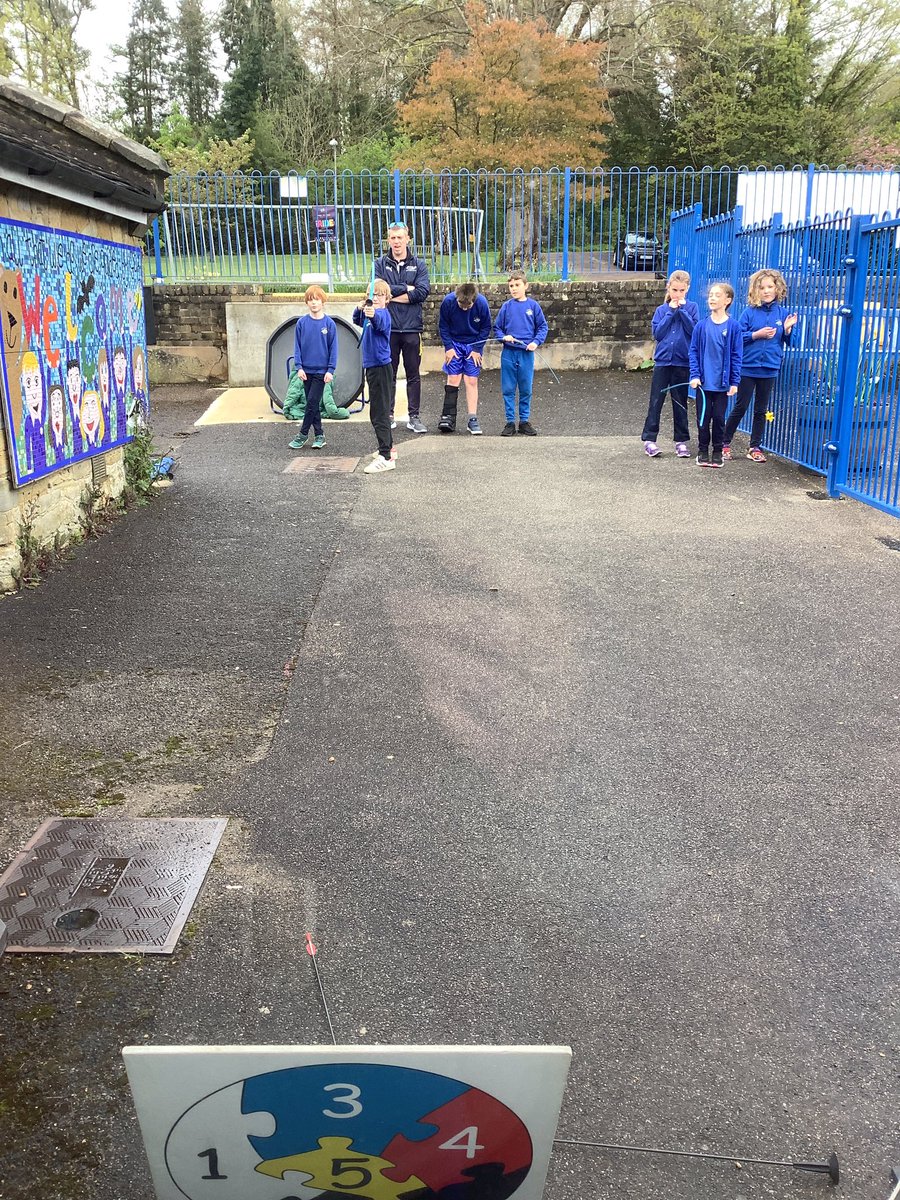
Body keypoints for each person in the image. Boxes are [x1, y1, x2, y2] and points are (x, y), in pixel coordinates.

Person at [723, 269, 797, 463]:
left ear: (777, 288)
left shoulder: (783, 313)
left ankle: (755, 446)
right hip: (748, 367)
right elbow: (737, 337)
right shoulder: (749, 313)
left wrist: (788, 330)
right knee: (741, 406)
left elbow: (793, 342)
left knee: (761, 409)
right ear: (755, 290)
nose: (766, 291)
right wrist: (757, 335)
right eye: (762, 287)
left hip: (770, 368)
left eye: (770, 287)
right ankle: (724, 443)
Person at [374, 221, 430, 433]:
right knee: (388, 373)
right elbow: (378, 292)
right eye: (393, 238)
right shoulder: (379, 264)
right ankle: (388, 415)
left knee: (413, 374)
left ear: (408, 239)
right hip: (387, 329)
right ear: (388, 240)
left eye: (400, 237)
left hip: (411, 329)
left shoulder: (420, 265)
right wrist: (406, 289)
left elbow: (422, 293)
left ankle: (414, 417)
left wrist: (391, 295)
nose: (396, 242)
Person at [641, 269, 699, 458]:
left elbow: (693, 331)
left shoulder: (692, 308)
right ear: (668, 288)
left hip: (682, 362)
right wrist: (671, 312)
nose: (678, 294)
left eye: (682, 290)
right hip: (663, 361)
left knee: (680, 402)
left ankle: (681, 441)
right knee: (656, 401)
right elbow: (658, 334)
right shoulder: (661, 310)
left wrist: (681, 311)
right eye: (675, 290)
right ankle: (650, 440)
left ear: (687, 289)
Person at [688, 282, 743, 468]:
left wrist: (734, 381)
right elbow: (693, 352)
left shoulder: (734, 327)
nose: (712, 298)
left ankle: (717, 451)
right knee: (703, 420)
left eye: (717, 295)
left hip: (722, 385)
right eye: (710, 294)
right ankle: (703, 450)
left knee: (719, 419)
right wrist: (694, 375)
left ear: (728, 300)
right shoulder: (701, 326)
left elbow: (737, 355)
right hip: (703, 384)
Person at [493, 271, 548, 436]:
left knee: (526, 388)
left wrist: (535, 342)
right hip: (509, 353)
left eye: (517, 285)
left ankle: (524, 421)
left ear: (526, 286)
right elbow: (497, 328)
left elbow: (542, 327)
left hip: (526, 353)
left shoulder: (533, 306)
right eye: (511, 286)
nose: (514, 289)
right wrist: (504, 337)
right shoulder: (506, 307)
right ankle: (510, 422)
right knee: (508, 388)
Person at [353, 280, 397, 474]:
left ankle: (386, 456)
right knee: (379, 410)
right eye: (373, 294)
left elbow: (378, 321)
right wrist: (359, 309)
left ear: (387, 299)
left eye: (380, 295)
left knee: (379, 412)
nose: (376, 298)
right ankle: (388, 448)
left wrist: (371, 313)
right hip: (373, 367)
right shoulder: (370, 313)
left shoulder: (383, 314)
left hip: (380, 367)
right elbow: (357, 320)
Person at [437, 283, 491, 435]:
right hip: (454, 343)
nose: (465, 308)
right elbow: (443, 326)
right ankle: (448, 416)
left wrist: (476, 349)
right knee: (453, 378)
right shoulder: (448, 302)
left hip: (473, 343)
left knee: (471, 380)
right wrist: (448, 348)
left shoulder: (481, 303)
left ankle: (472, 419)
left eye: (468, 305)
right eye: (462, 304)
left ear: (474, 300)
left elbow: (486, 327)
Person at [289, 285, 338, 451]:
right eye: (310, 300)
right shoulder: (301, 323)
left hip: (321, 372)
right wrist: (299, 367)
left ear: (323, 301)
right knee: (314, 404)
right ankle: (319, 435)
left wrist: (330, 370)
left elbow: (334, 349)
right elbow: (297, 347)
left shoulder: (329, 324)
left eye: (316, 299)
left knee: (311, 402)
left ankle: (302, 434)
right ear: (306, 303)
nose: (314, 303)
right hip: (305, 371)